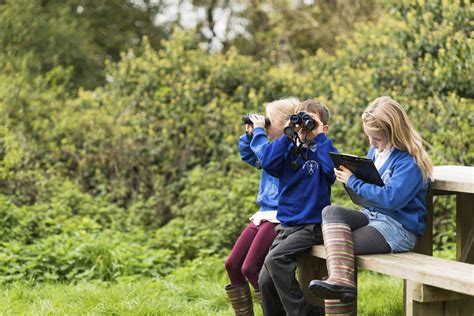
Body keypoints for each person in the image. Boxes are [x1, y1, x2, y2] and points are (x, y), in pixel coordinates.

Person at [309, 96, 433, 315]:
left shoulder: (409, 162)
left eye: (377, 138)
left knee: (339, 249)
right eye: (369, 138)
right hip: (373, 216)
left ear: (394, 132)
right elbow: (369, 195)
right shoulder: (376, 152)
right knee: (331, 211)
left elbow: (392, 199)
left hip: (397, 228)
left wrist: (354, 181)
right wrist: (351, 182)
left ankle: (339, 283)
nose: (372, 144)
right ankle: (341, 282)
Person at [258, 99, 338, 316]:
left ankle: (305, 313)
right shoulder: (288, 149)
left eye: (310, 121)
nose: (304, 125)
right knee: (264, 280)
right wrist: (288, 135)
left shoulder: (323, 149)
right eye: (300, 118)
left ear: (324, 127)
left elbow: (331, 172)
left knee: (275, 260)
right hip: (285, 226)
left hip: (311, 226)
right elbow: (267, 162)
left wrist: (319, 136)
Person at [224, 98, 299, 316]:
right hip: (264, 213)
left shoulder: (292, 148)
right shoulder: (271, 146)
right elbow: (250, 156)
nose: (264, 124)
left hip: (279, 215)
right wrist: (250, 135)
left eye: (269, 121)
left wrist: (258, 134)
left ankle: (278, 310)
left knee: (250, 268)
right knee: (232, 264)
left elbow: (266, 158)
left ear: (286, 124)